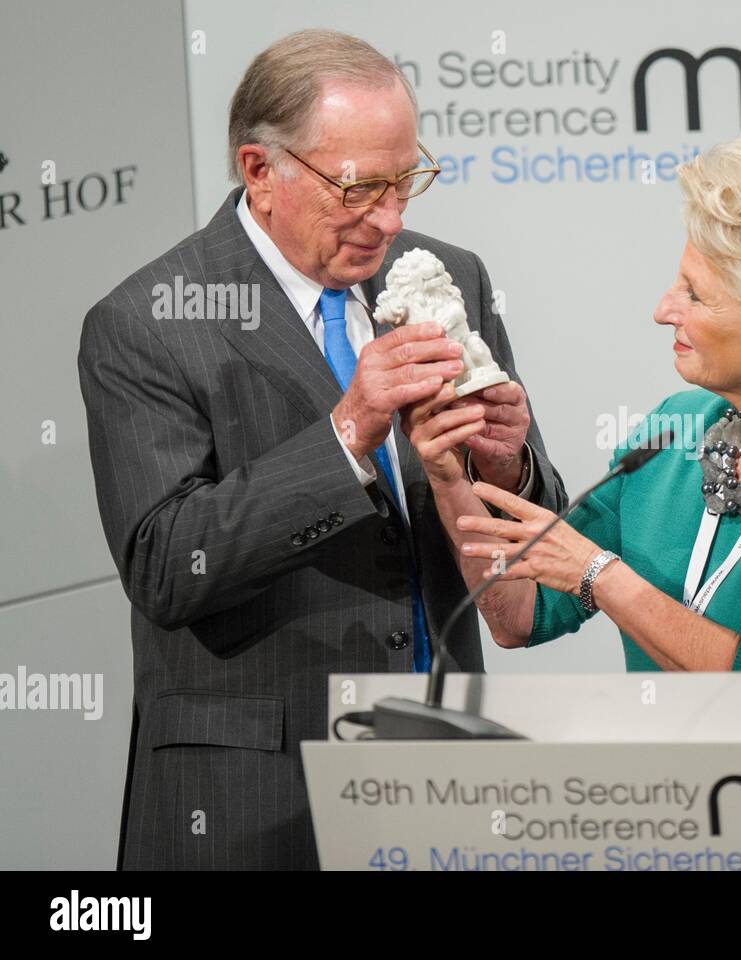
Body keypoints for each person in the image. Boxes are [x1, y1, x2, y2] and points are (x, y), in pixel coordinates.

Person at [77, 29, 566, 870]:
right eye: (360, 187)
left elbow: (531, 536)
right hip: (252, 798)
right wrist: (347, 435)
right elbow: (164, 565)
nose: (392, 216)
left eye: (406, 179)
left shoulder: (453, 276)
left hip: (439, 775)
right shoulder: (148, 323)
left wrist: (504, 462)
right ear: (260, 172)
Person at [406, 139, 741, 671]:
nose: (662, 310)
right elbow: (517, 615)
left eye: (694, 295)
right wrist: (447, 475)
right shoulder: (671, 432)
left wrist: (599, 574)